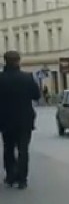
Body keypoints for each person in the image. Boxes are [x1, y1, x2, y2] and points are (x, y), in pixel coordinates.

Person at [0, 51, 41, 189]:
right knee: (23, 150)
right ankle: (22, 179)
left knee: (8, 148)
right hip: (24, 120)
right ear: (18, 61)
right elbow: (36, 95)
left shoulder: (1, 78)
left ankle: (11, 175)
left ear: (5, 61)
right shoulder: (27, 78)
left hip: (5, 121)